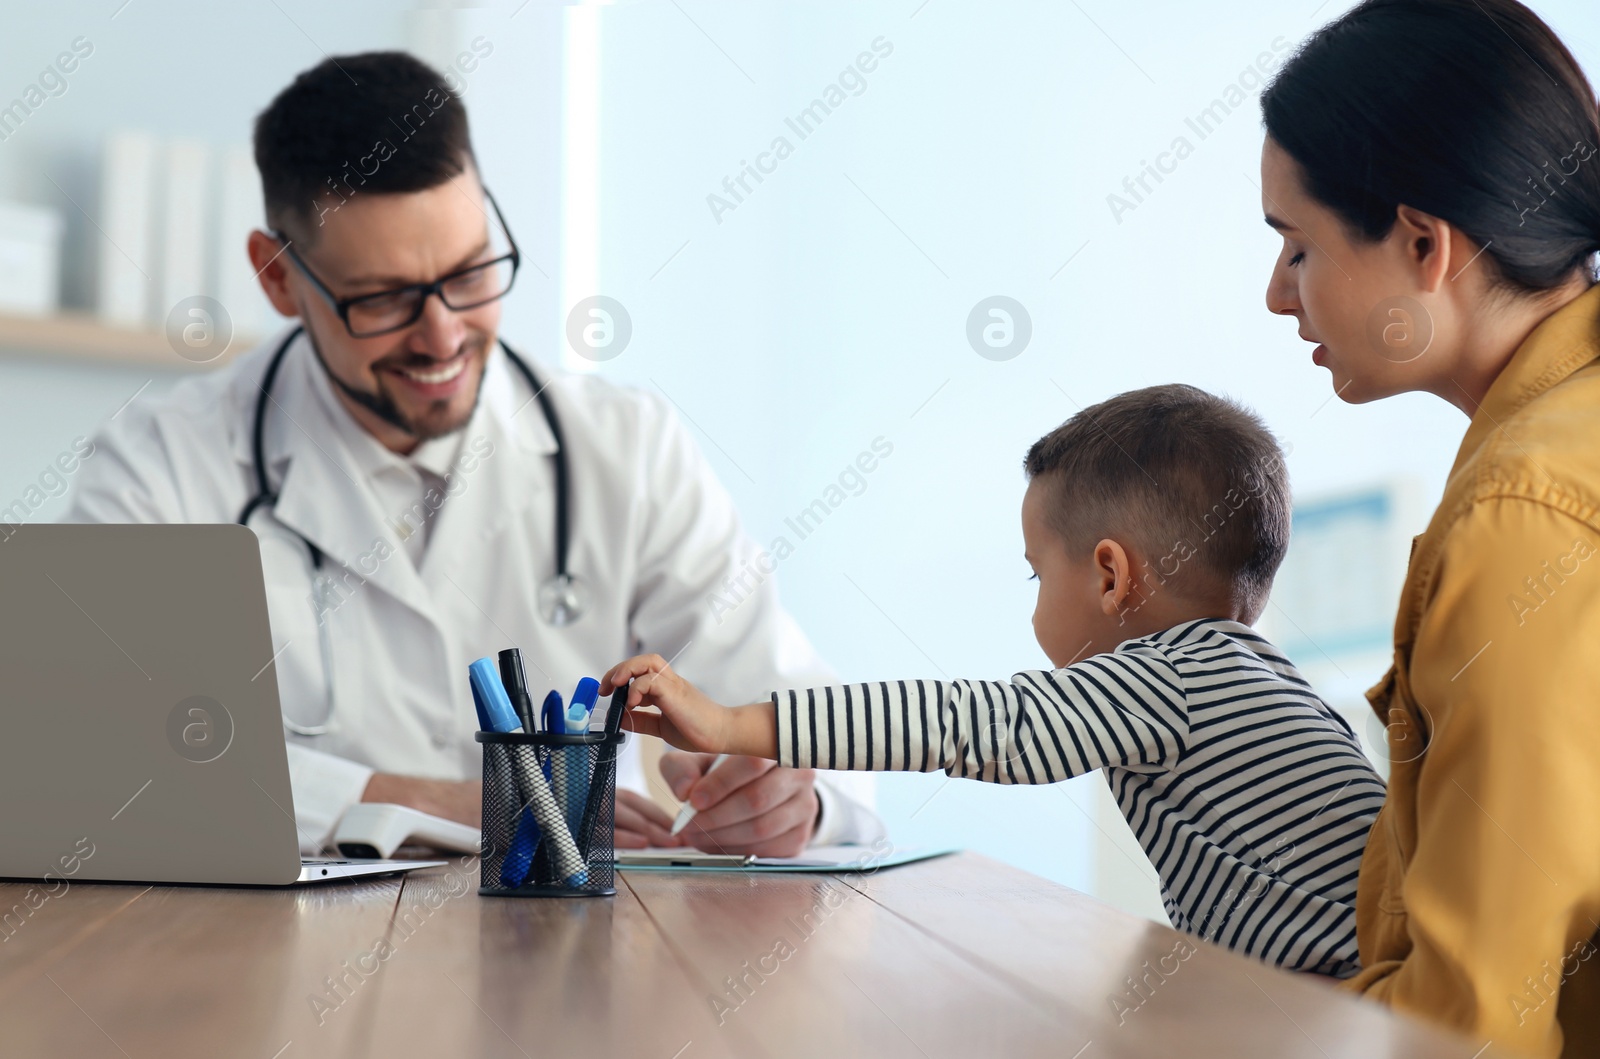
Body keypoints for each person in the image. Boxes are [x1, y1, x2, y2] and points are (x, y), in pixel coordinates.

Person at [66, 51, 881, 858]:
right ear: (278, 277)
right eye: (383, 299)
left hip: (567, 969)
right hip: (268, 967)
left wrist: (791, 802)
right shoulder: (160, 464)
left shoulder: (626, 447)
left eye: (470, 273)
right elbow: (91, 755)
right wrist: (434, 803)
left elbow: (807, 723)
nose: (444, 335)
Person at [602, 385, 1388, 976]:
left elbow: (969, 724)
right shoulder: (1272, 679)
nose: (1034, 600)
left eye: (1035, 574)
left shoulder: (1165, 679)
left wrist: (730, 722)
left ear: (1111, 576)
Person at [1258, 0, 1600, 1052]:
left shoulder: (1521, 516)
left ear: (1421, 243)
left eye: (1297, 248)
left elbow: (1469, 1025)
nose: (1278, 297)